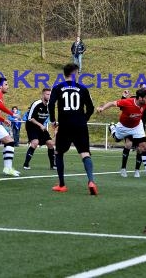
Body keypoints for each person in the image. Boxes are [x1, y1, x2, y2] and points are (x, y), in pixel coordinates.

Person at [97, 87, 146, 180]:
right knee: (116, 138)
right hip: (123, 127)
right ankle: (112, 128)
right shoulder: (127, 102)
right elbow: (112, 103)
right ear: (140, 98)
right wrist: (102, 108)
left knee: (144, 146)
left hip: (137, 126)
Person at [48, 63, 97, 194]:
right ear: (75, 74)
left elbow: (51, 104)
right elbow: (91, 108)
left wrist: (53, 121)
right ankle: (91, 181)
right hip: (80, 125)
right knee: (85, 153)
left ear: (65, 74)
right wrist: (83, 119)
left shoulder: (57, 87)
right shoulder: (82, 88)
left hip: (65, 125)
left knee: (59, 153)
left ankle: (62, 184)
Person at [23, 88, 56, 170]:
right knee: (35, 143)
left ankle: (53, 165)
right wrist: (40, 125)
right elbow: (30, 118)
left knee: (50, 143)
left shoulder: (50, 105)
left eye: (50, 94)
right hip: (31, 125)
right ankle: (26, 164)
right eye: (47, 94)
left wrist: (55, 127)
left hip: (40, 126)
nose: (49, 96)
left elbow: (52, 119)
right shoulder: (36, 103)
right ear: (43, 95)